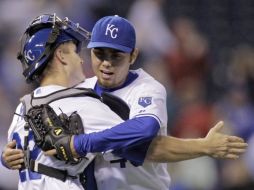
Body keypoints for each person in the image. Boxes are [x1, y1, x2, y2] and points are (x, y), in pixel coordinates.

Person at [1, 14, 247, 190]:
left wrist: (81, 143)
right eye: (99, 53)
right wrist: (10, 156)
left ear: (133, 55)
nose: (106, 63)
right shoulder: (79, 94)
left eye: (115, 55)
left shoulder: (147, 87)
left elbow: (146, 134)